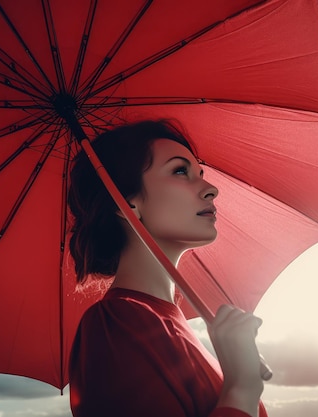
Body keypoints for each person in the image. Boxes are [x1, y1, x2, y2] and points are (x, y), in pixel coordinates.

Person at [67, 120, 267, 417]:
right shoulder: (117, 322)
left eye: (200, 173)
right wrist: (242, 387)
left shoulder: (178, 327)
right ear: (126, 204)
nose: (211, 189)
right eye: (179, 171)